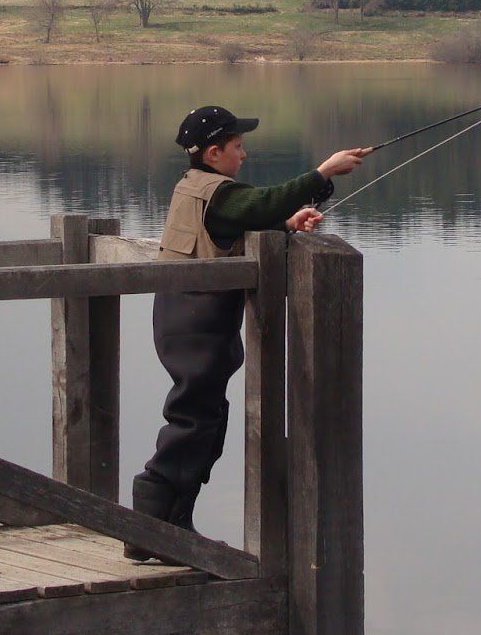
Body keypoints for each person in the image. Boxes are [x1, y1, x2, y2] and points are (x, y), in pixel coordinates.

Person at [124, 104, 370, 561]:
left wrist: (287, 225)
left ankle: (168, 525)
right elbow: (260, 203)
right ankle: (150, 525)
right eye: (238, 147)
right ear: (214, 153)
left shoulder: (193, 188)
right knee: (196, 417)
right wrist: (322, 173)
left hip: (182, 317)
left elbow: (244, 222)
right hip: (196, 322)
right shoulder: (218, 192)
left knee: (204, 416)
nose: (245, 154)